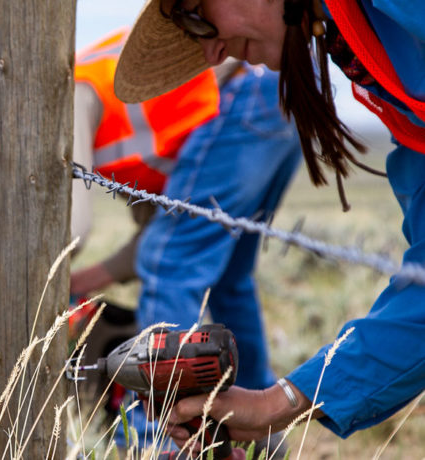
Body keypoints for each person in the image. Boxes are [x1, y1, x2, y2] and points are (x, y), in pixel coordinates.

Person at [0, 27, 302, 453]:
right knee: (228, 278)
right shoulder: (122, 107)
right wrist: (79, 282)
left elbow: (69, 228)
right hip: (280, 91)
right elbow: (151, 241)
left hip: (239, 98)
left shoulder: (65, 97)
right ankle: (262, 433)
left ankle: (153, 441)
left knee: (171, 267)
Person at [113, 0, 425, 451]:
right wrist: (274, 404)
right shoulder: (384, 79)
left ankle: (152, 442)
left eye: (196, 15)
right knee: (228, 276)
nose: (212, 55)